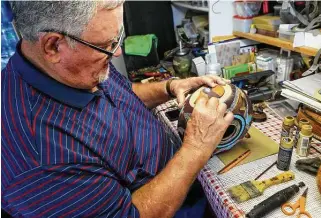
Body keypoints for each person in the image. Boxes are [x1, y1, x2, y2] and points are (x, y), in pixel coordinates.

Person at [1, 1, 234, 217]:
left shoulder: (71, 69)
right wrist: (196, 148)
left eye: (118, 38)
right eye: (107, 45)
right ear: (53, 46)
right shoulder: (42, 161)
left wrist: (170, 87)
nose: (117, 52)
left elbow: (124, 94)